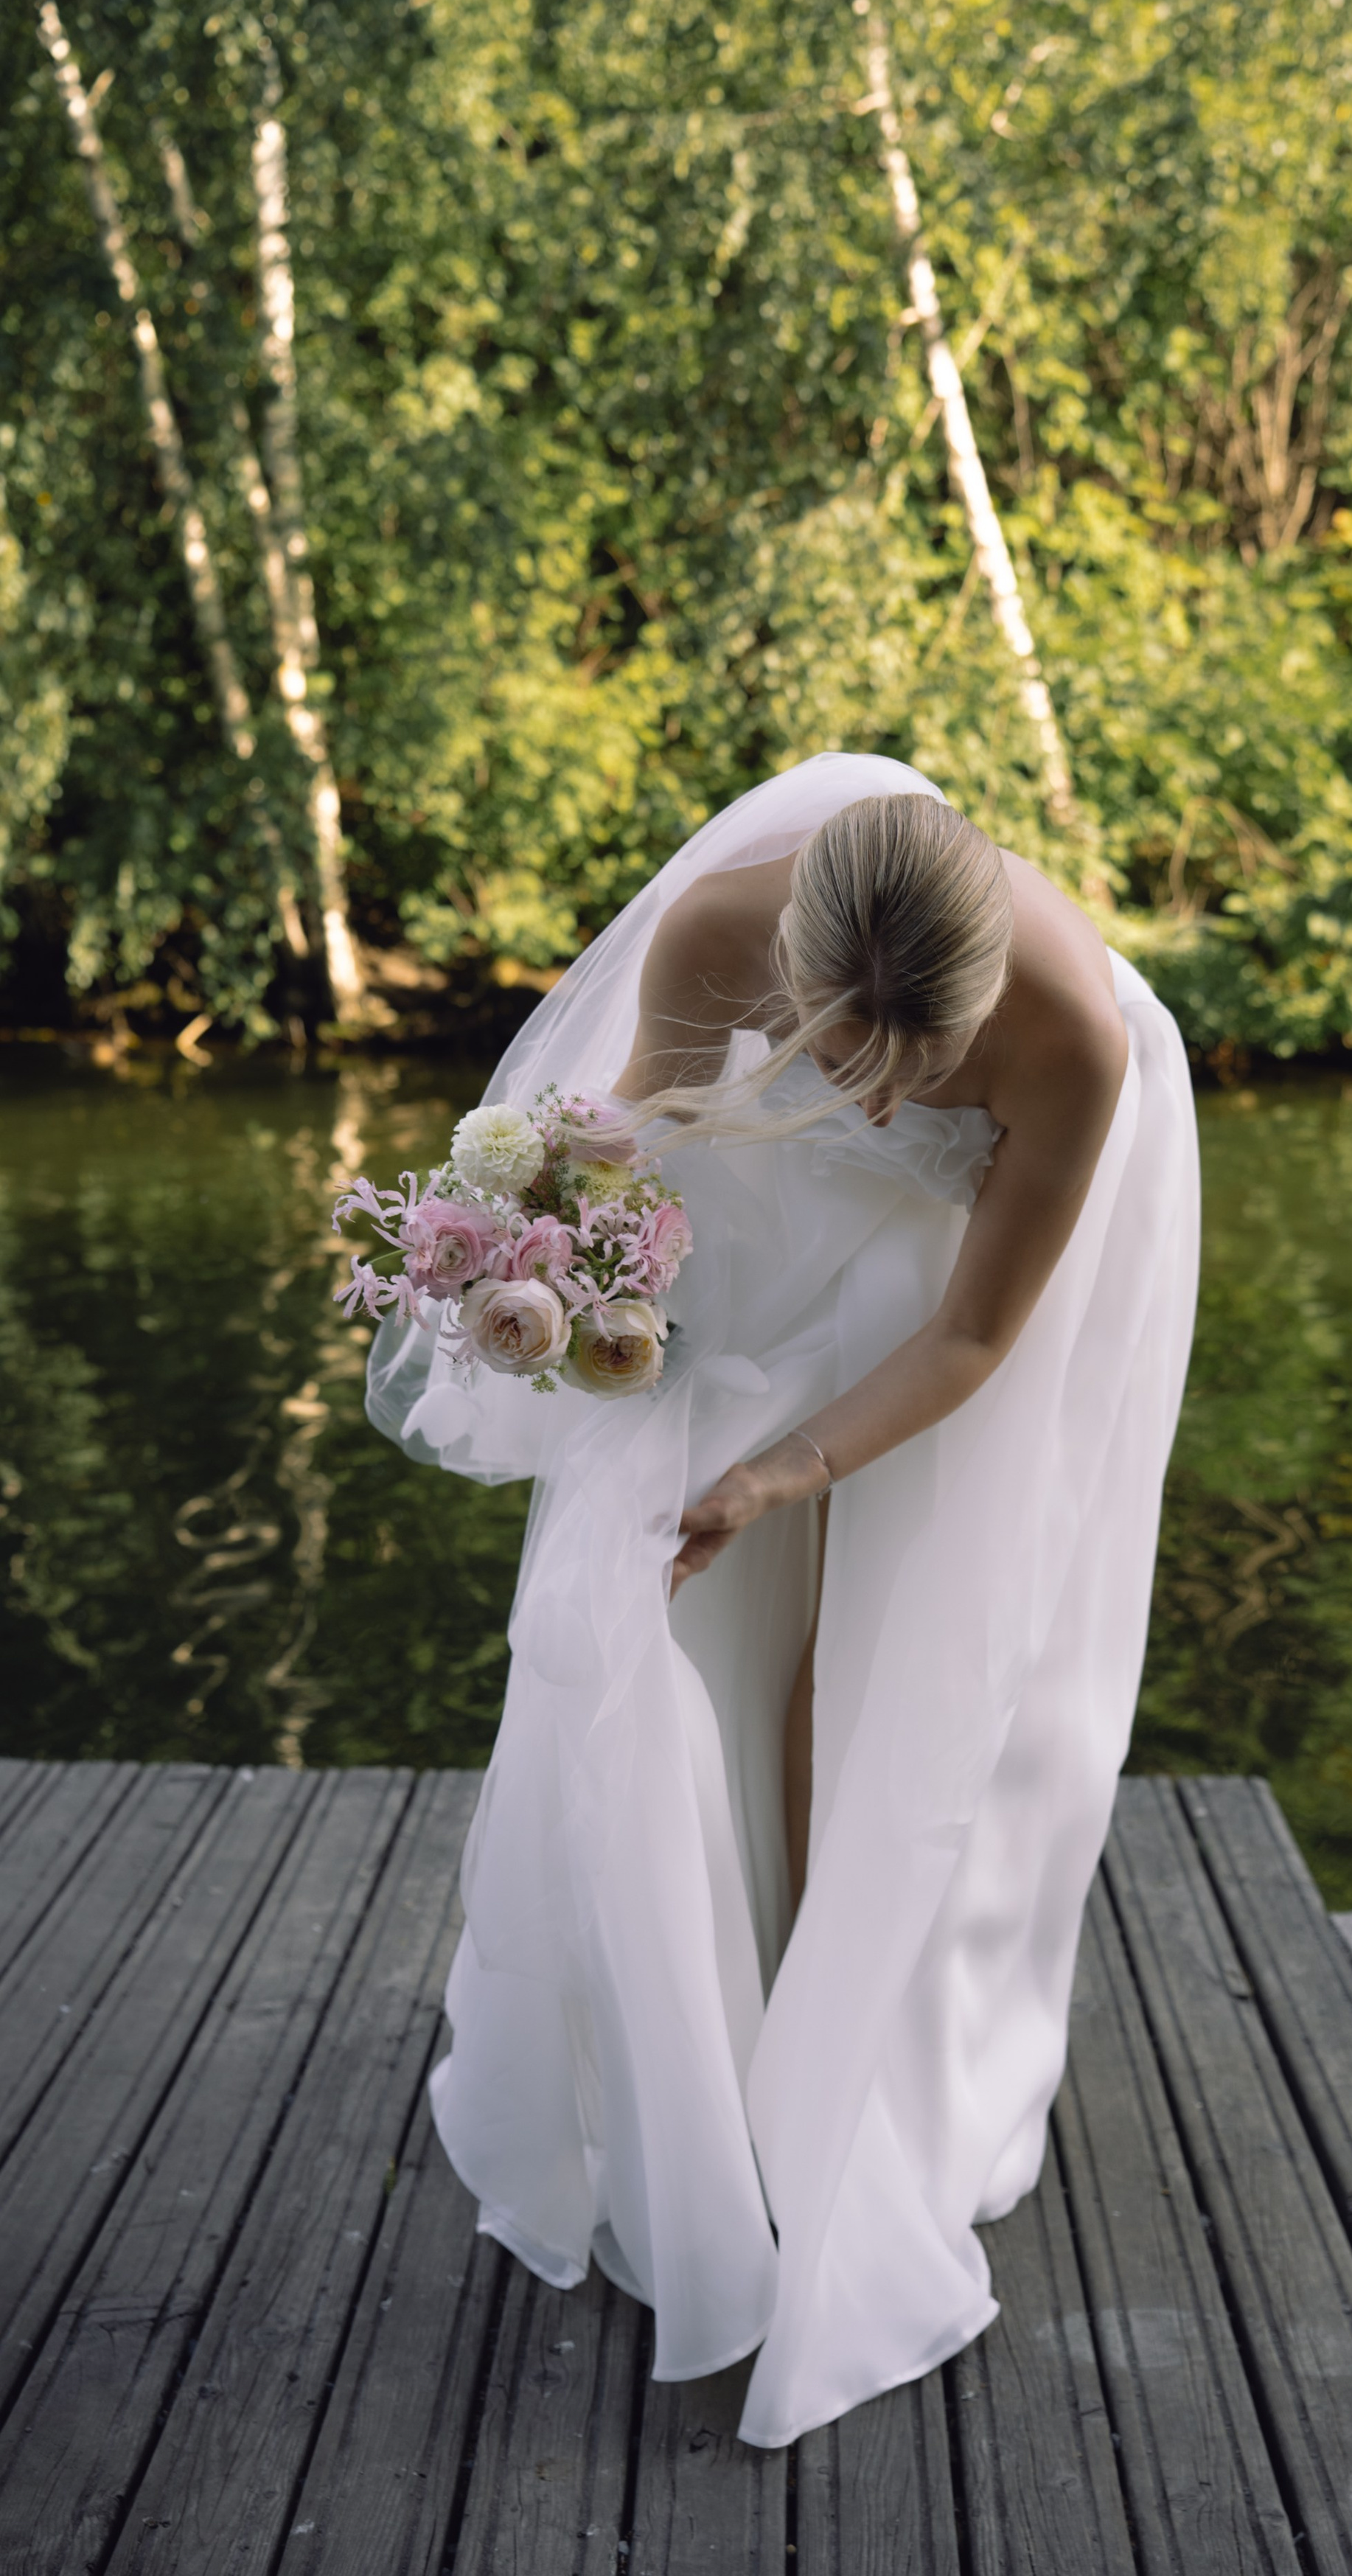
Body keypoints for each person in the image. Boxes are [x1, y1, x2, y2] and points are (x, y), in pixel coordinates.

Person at [365, 751, 1199, 2447]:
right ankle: (685, 2043)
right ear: (794, 981)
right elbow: (644, 1164)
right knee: (663, 1623)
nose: (882, 1100)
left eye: (927, 1063)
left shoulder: (1073, 1045)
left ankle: (847, 2056)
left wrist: (785, 1473)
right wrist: (577, 1281)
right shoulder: (716, 934)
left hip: (971, 1270)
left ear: (979, 1018)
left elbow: (970, 1338)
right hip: (766, 1219)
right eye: (839, 1050)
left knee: (893, 1662)